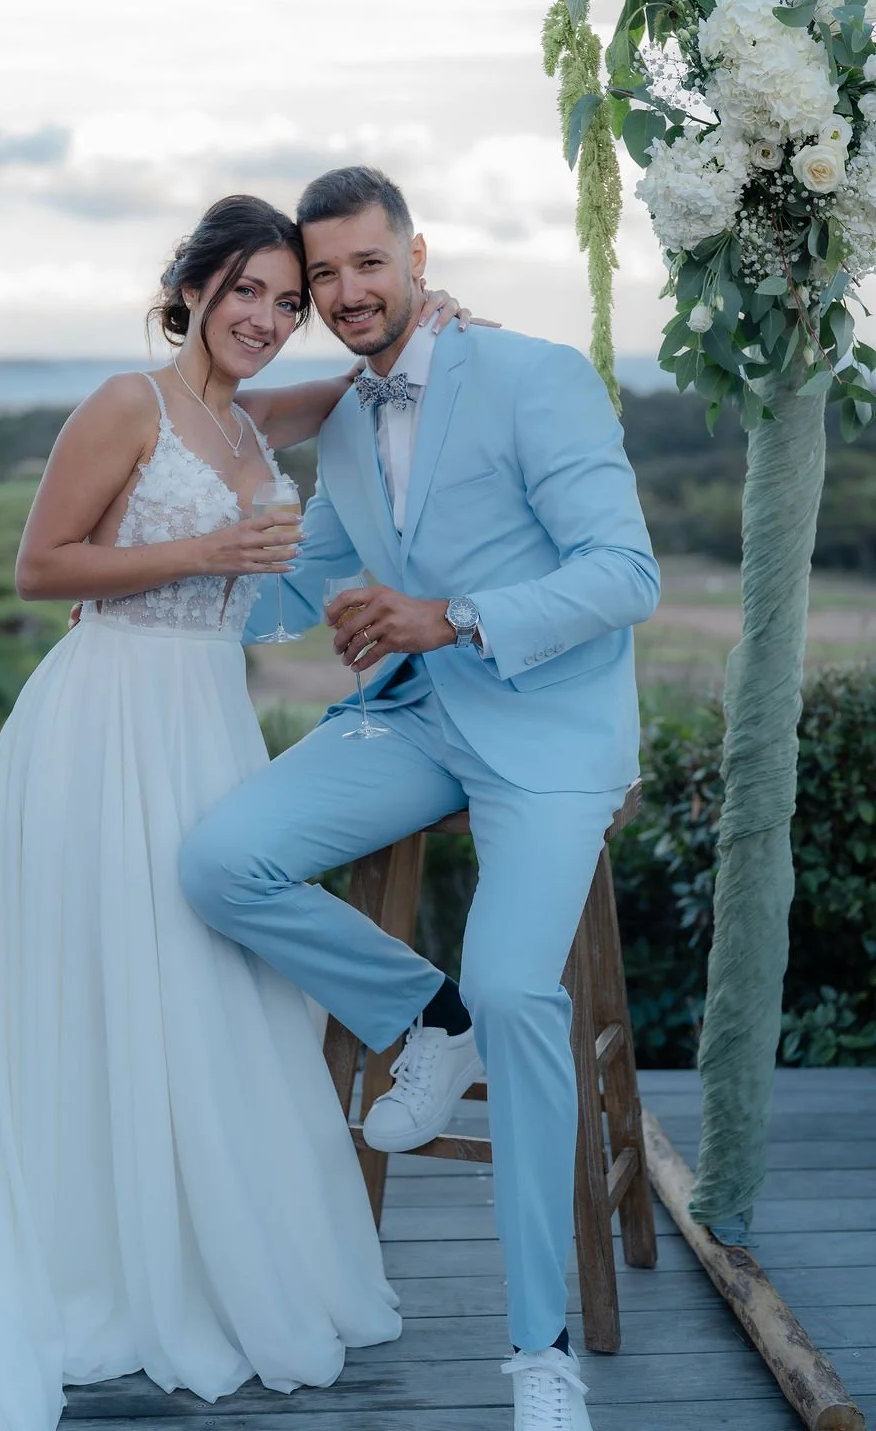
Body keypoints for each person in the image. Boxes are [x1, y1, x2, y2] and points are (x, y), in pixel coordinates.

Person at [0, 193, 479, 1431]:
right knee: (107, 985)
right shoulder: (126, 405)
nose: (267, 317)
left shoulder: (249, 421)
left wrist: (426, 323)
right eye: (246, 289)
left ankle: (203, 1253)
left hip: (204, 727)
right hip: (100, 725)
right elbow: (42, 569)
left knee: (213, 980)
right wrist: (205, 557)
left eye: (288, 302)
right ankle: (102, 1260)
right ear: (191, 285)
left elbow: (363, 389)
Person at [180, 167, 662, 1431]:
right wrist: (164, 584)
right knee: (222, 863)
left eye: (364, 266)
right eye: (321, 276)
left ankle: (539, 1353)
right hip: (418, 718)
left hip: (547, 730)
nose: (343, 294)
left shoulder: (535, 375)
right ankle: (423, 1015)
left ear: (415, 256)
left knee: (520, 989)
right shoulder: (343, 416)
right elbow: (313, 586)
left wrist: (449, 618)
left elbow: (625, 574)